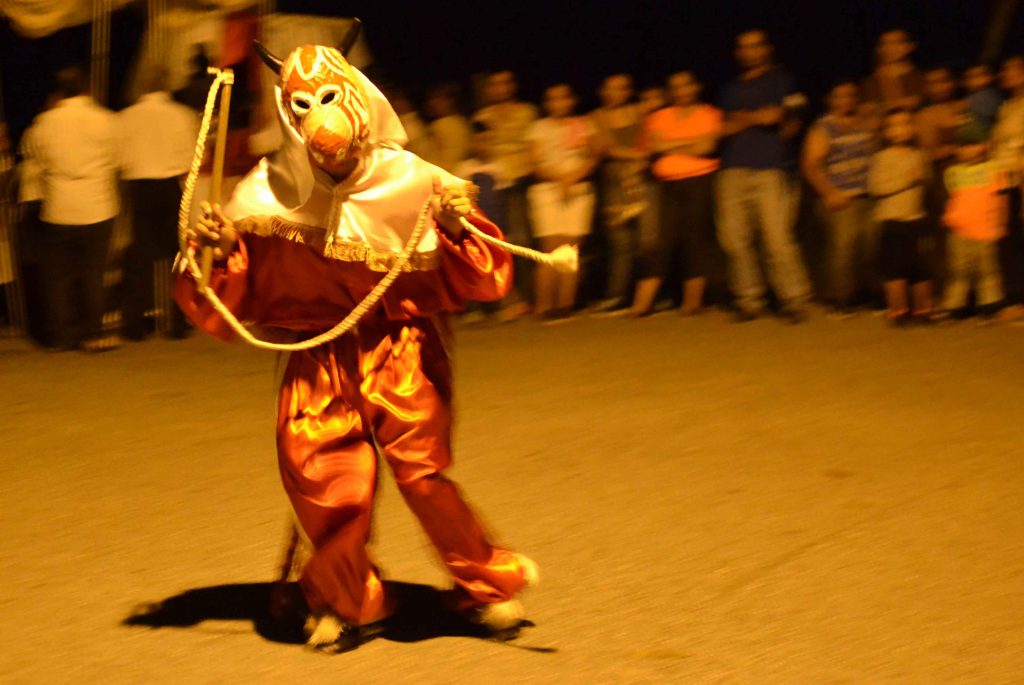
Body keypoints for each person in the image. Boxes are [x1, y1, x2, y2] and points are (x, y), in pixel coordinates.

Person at [176, 42, 537, 652]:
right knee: (322, 475)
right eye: (303, 104)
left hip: (401, 345)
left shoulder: (413, 178)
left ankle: (487, 585)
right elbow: (222, 285)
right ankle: (349, 597)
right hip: (319, 350)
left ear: (357, 98)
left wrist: (453, 226)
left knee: (423, 475)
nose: (319, 116)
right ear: (290, 116)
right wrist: (213, 246)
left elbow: (484, 273)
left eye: (328, 97)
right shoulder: (268, 190)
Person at [20, 65, 120, 351]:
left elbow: (34, 159)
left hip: (59, 206)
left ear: (58, 92)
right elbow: (116, 159)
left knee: (58, 276)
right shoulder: (105, 120)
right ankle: (93, 332)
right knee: (93, 272)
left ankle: (61, 334)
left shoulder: (43, 124)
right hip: (98, 204)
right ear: (87, 88)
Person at [716, 29, 811, 323]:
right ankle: (749, 299)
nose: (750, 51)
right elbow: (722, 128)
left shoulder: (783, 81)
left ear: (766, 49)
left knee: (777, 238)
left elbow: (786, 119)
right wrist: (759, 117)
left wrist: (749, 118)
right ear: (737, 52)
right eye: (744, 47)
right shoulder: (730, 89)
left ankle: (793, 299)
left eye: (755, 46)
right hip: (731, 169)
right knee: (733, 240)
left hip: (770, 168)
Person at [632, 71, 721, 317]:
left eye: (686, 85)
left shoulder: (709, 114)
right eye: (676, 87)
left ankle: (692, 303)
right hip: (667, 184)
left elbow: (708, 146)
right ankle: (643, 303)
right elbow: (654, 146)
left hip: (700, 180)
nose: (682, 91)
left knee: (695, 240)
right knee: (661, 241)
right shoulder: (659, 116)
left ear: (696, 87)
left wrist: (670, 144)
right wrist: (688, 143)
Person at [118, 67, 198, 340]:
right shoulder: (181, 115)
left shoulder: (125, 117)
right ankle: (176, 321)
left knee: (139, 257)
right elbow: (191, 158)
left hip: (139, 187)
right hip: (169, 186)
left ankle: (135, 324)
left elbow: (120, 158)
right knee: (176, 256)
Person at [801, 79, 878, 317]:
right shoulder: (823, 128)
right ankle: (840, 300)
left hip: (868, 194)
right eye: (839, 96)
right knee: (843, 249)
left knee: (869, 246)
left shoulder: (864, 124)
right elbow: (811, 165)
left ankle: (867, 295)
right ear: (830, 100)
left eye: (850, 95)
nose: (845, 100)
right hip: (841, 197)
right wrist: (829, 193)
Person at [525, 83, 599, 321]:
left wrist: (573, 178)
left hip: (579, 189)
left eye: (563, 98)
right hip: (548, 190)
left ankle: (565, 305)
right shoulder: (538, 128)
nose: (558, 103)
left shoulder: (583, 124)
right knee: (549, 249)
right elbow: (535, 162)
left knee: (571, 249)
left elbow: (595, 155)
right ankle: (544, 306)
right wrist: (561, 179)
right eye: (552, 99)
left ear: (571, 101)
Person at [473, 70, 538, 319]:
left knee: (523, 241)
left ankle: (528, 299)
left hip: (521, 180)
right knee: (498, 243)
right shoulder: (483, 116)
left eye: (505, 83)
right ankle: (503, 302)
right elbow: (480, 145)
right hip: (495, 184)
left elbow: (533, 145)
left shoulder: (527, 112)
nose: (500, 88)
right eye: (495, 84)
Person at [939, 119, 1011, 322]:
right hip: (959, 230)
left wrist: (1001, 223)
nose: (968, 150)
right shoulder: (953, 173)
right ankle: (955, 306)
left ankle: (989, 306)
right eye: (963, 146)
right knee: (959, 270)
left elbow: (1002, 198)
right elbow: (953, 198)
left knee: (987, 270)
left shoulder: (993, 169)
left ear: (984, 146)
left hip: (985, 229)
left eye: (972, 144)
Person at [868, 109, 933, 325]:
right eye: (894, 125)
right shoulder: (882, 157)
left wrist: (924, 177)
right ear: (886, 131)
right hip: (892, 220)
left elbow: (927, 181)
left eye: (906, 123)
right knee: (894, 268)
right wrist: (905, 180)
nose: (901, 129)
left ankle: (923, 309)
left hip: (915, 218)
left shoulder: (919, 154)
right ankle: (898, 310)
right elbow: (876, 188)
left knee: (920, 267)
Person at [590, 74, 648, 313]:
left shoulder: (639, 112)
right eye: (611, 89)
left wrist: (641, 162)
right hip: (613, 185)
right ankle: (617, 295)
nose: (616, 94)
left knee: (646, 240)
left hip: (642, 180)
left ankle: (648, 295)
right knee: (619, 241)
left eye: (621, 89)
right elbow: (603, 148)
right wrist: (637, 156)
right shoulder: (596, 117)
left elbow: (650, 142)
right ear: (602, 92)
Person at [993, 55, 1024, 318]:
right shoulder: (1007, 107)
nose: (1007, 73)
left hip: (1021, 179)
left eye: (1013, 69)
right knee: (1009, 238)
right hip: (1005, 180)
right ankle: (1015, 299)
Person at [861, 29, 925, 116]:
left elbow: (919, 102)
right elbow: (866, 109)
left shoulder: (920, 77)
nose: (891, 48)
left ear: (910, 46)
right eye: (885, 44)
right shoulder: (871, 82)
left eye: (897, 43)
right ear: (879, 49)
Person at [424, 83, 472, 173]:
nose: (432, 103)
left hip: (446, 172)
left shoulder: (438, 126)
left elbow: (432, 156)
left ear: (450, 102)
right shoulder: (462, 121)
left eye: (437, 99)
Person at [963, 63, 1002, 132]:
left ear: (989, 77)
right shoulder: (972, 97)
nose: (974, 81)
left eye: (977, 76)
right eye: (970, 77)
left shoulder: (989, 96)